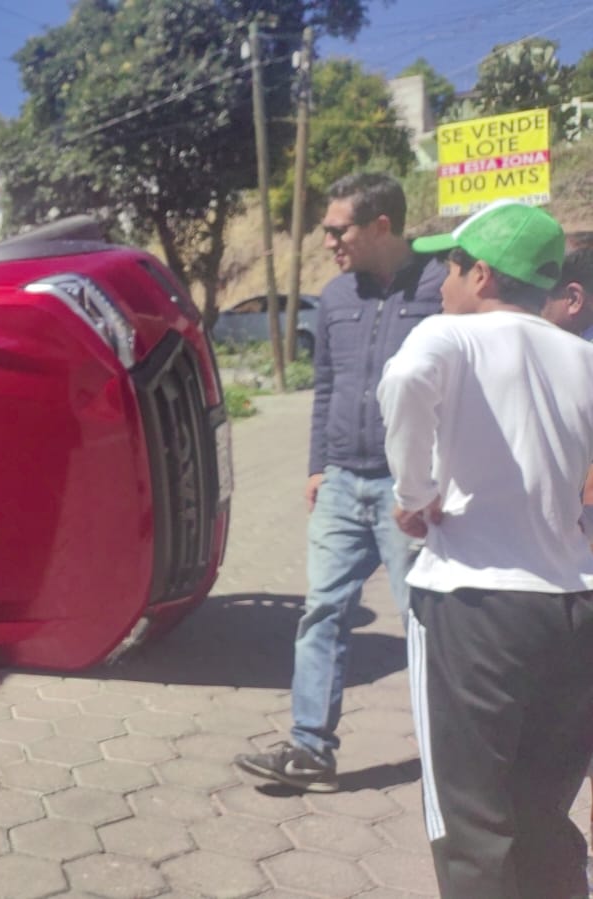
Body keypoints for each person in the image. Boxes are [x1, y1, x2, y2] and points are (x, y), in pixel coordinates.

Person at [378, 200, 593, 898]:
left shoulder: (450, 337)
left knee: (469, 820)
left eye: (448, 265)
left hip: (473, 602)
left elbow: (405, 381)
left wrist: (412, 494)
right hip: (573, 603)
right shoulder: (581, 354)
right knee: (541, 808)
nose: (439, 281)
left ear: (481, 274)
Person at [236, 173, 445, 793]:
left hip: (408, 491)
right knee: (322, 611)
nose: (328, 241)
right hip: (342, 482)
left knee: (424, 622)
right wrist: (316, 466)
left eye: (338, 229)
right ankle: (310, 750)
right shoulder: (333, 298)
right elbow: (325, 386)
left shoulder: (440, 290)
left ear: (381, 225)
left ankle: (451, 757)